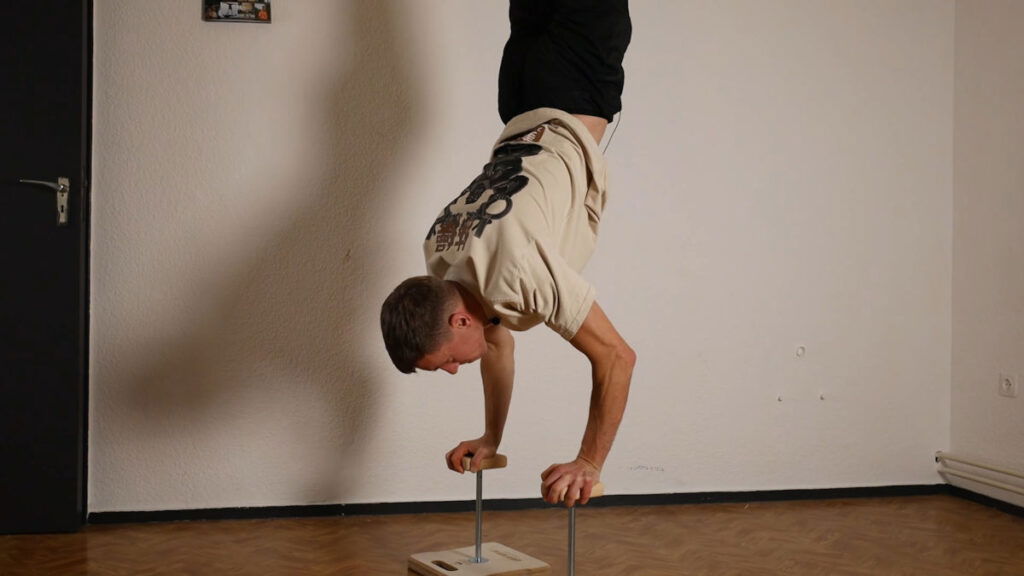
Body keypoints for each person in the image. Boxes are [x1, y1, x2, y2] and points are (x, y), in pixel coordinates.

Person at [380, 0, 633, 508]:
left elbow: (617, 357)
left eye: (444, 363)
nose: (453, 371)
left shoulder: (518, 273)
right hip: (519, 97)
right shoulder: (440, 257)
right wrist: (491, 439)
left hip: (574, 85)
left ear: (457, 323)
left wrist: (589, 462)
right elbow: (494, 344)